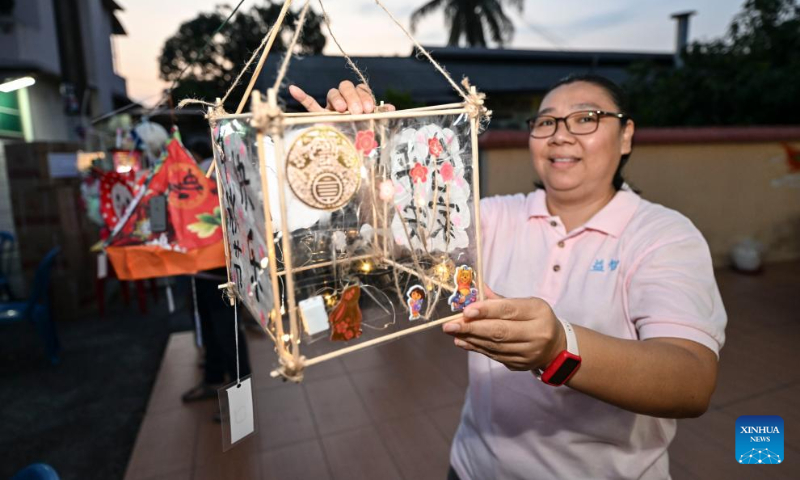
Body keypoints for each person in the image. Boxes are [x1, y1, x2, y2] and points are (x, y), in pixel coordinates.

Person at [289, 76, 727, 479]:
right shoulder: (494, 217)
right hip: (474, 467)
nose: (560, 134)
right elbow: (395, 233)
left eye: (585, 118)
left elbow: (690, 381)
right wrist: (358, 154)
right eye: (546, 122)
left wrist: (559, 349)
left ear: (626, 134)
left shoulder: (663, 235)